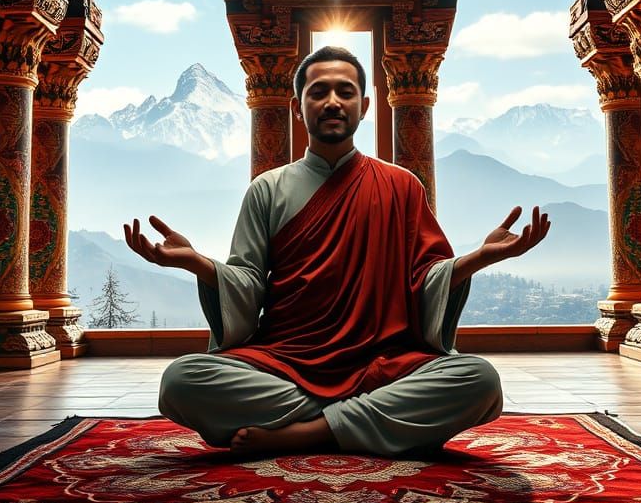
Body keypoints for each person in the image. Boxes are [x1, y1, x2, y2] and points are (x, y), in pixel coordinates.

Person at [125, 46, 550, 456]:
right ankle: (368, 425)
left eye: (345, 92)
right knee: (182, 382)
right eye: (318, 92)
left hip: (383, 365)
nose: (332, 102)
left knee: (479, 381)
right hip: (289, 363)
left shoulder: (401, 186)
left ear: (365, 106)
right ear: (297, 107)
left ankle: (306, 433)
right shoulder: (267, 190)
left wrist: (480, 256)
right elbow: (248, 285)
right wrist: (199, 264)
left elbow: (425, 278)